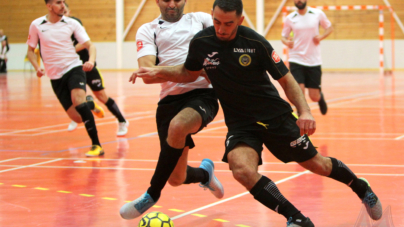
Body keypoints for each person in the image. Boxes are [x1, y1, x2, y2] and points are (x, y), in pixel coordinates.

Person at [129, 0, 383, 226]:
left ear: (239, 20)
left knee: (318, 164)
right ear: (212, 16)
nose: (221, 28)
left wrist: (304, 110)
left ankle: (361, 188)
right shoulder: (202, 43)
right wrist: (158, 72)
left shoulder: (254, 42)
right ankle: (295, 218)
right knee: (241, 170)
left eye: (228, 23)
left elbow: (286, 80)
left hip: (276, 118)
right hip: (241, 124)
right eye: (216, 21)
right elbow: (188, 72)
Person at [119, 0, 224, 220]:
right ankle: (206, 173)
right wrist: (189, 71)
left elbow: (219, 55)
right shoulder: (148, 30)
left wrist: (167, 71)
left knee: (178, 126)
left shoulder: (201, 20)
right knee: (176, 178)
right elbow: (148, 74)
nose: (172, 4)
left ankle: (151, 194)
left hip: (203, 95)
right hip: (169, 101)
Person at [27, 0, 105, 157]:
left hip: (74, 68)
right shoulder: (37, 25)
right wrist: (37, 67)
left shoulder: (72, 23)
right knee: (77, 118)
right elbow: (30, 50)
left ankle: (97, 145)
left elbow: (91, 45)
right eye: (58, 2)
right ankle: (90, 103)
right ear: (49, 6)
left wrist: (90, 60)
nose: (63, 5)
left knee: (78, 102)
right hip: (55, 76)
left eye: (63, 2)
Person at [63, 3, 129, 136]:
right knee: (73, 96)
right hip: (72, 69)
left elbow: (85, 43)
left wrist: (69, 50)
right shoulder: (56, 29)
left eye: (65, 10)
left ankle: (122, 121)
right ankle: (75, 117)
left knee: (102, 96)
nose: (62, 12)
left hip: (87, 66)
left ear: (69, 12)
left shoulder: (75, 23)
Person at [281, 0, 333, 115]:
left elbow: (329, 28)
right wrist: (287, 42)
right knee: (299, 90)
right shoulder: (290, 18)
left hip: (313, 60)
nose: (299, 1)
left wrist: (321, 37)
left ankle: (320, 97)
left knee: (313, 96)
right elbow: (283, 37)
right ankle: (301, 114)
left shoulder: (317, 14)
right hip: (296, 59)